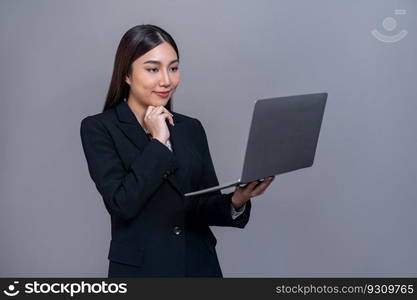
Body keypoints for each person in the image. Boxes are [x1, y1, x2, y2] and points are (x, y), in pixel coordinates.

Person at [80, 24, 275, 277]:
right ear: (126, 75)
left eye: (173, 68)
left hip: (198, 267)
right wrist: (158, 142)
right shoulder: (99, 128)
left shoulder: (190, 128)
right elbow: (122, 204)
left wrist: (237, 200)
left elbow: (201, 205)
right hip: (143, 271)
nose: (167, 80)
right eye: (153, 69)